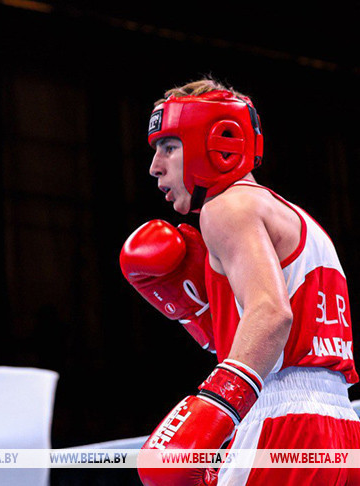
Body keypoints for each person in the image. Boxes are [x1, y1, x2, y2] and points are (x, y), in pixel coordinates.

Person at [120, 78, 360, 485]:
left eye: (169, 147)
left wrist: (216, 404)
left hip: (280, 418)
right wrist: (202, 316)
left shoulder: (225, 207)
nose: (154, 166)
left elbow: (270, 314)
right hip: (342, 426)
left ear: (215, 142)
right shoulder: (298, 219)